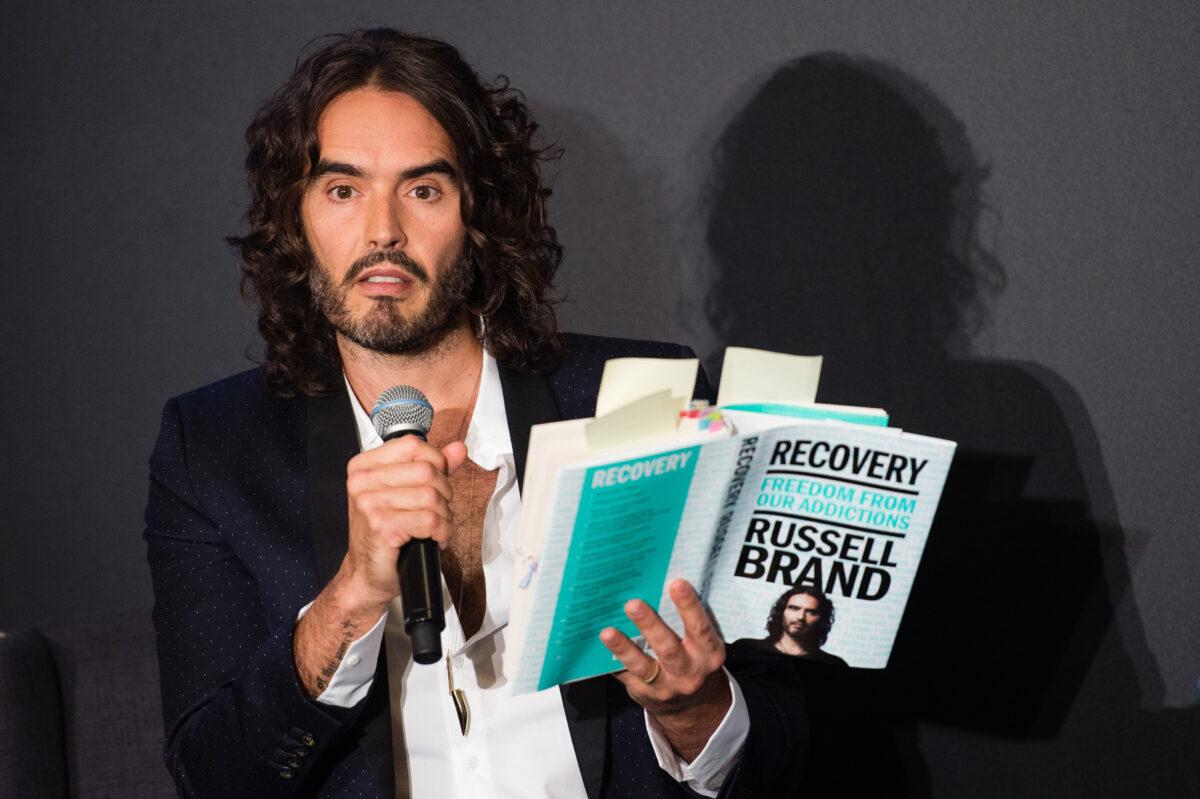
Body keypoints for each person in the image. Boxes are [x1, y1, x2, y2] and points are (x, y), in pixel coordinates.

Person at [144, 28, 806, 798]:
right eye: (343, 189)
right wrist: (351, 595)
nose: (383, 231)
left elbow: (797, 725)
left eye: (423, 189)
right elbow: (212, 776)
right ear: (295, 220)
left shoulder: (646, 396)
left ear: (479, 212)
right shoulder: (216, 450)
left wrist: (693, 710)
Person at [759, 586, 847, 666]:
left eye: (811, 612)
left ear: (821, 618)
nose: (801, 617)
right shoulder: (750, 647)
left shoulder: (834, 664)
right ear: (781, 612)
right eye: (794, 608)